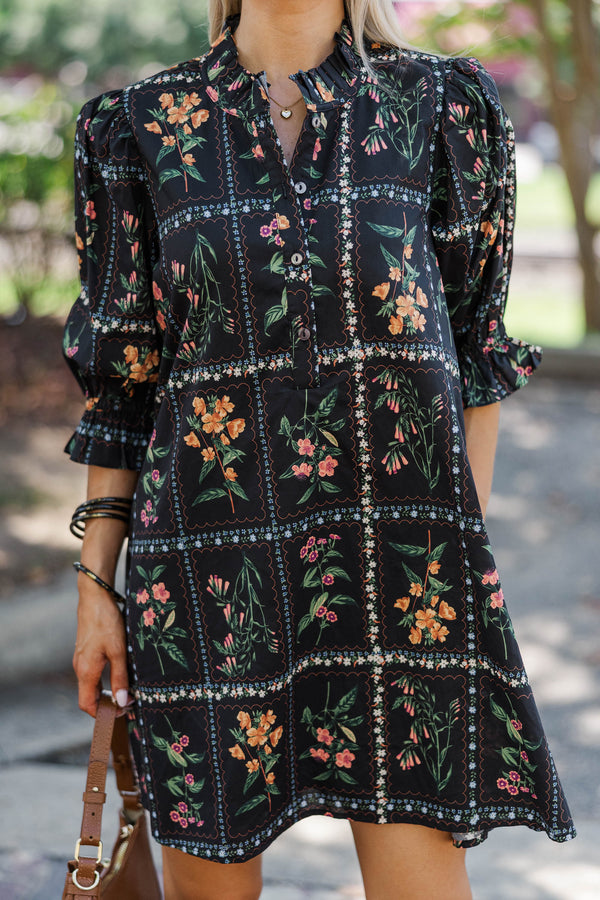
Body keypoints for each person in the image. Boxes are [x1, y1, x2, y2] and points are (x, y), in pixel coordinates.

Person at [63, 1, 575, 897]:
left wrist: (455, 561)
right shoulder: (136, 128)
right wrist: (96, 591)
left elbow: (474, 356)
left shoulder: (441, 106)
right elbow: (127, 389)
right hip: (205, 577)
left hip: (405, 585)